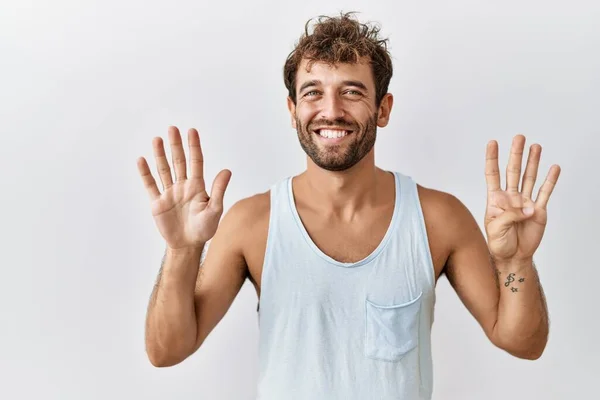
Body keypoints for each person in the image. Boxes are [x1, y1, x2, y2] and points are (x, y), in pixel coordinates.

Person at [137, 12, 561, 400]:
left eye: (352, 92)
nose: (331, 110)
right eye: (313, 92)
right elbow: (167, 351)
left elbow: (523, 343)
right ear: (293, 109)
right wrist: (182, 251)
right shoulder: (253, 223)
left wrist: (517, 262)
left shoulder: (438, 218)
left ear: (383, 108)